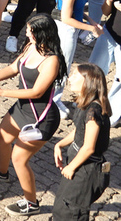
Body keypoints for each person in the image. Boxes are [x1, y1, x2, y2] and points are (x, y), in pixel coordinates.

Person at [0, 13, 67, 218]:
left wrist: (1, 93)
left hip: (41, 118)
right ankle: (1, 173)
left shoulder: (51, 60)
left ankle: (31, 202)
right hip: (22, 109)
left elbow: (36, 92)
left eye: (30, 30)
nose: (26, 33)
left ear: (41, 33)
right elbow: (13, 68)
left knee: (19, 159)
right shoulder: (30, 46)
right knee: (1, 136)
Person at [50, 63, 112, 221]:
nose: (70, 78)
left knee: (71, 212)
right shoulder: (84, 104)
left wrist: (71, 167)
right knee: (61, 207)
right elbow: (79, 132)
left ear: (87, 82)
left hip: (87, 170)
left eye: (75, 76)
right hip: (79, 165)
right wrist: (60, 144)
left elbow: (89, 147)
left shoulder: (94, 111)